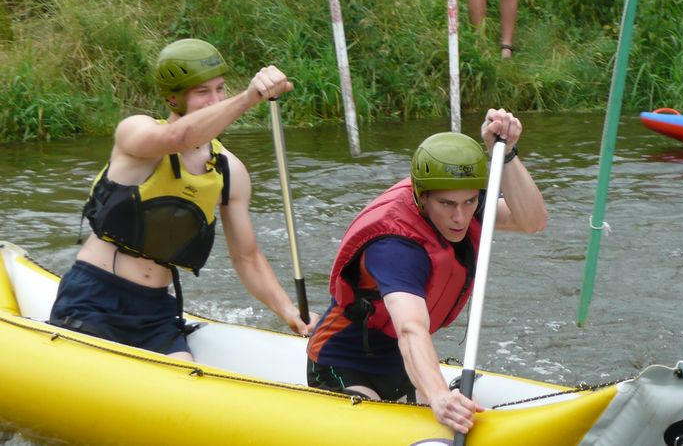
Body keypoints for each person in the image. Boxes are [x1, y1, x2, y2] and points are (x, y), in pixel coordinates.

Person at [49, 38, 318, 362]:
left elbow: (247, 258)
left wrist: (289, 312)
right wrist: (248, 99)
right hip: (94, 297)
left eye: (220, 89)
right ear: (173, 98)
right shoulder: (135, 133)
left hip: (157, 310)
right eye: (202, 92)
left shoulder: (229, 170)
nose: (215, 100)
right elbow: (178, 138)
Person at [306, 108, 547, 434]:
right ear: (422, 197)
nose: (460, 218)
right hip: (343, 362)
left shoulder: (466, 202)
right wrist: (438, 396)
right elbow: (410, 328)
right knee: (375, 422)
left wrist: (505, 155)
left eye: (469, 202)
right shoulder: (396, 246)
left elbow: (532, 220)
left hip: (401, 364)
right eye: (447, 204)